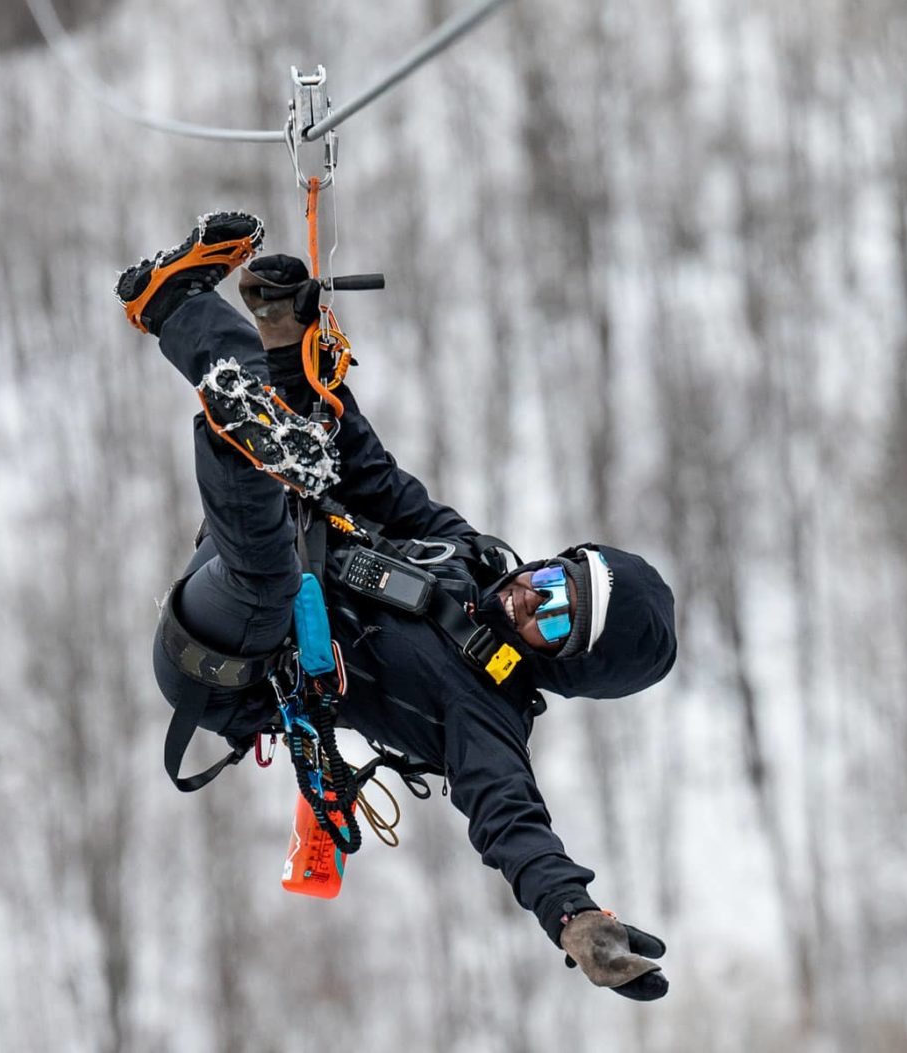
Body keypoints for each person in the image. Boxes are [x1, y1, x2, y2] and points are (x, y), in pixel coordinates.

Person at [116, 211, 679, 1000]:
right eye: (553, 579)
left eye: (553, 618)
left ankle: (237, 432)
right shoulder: (468, 555)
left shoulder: (485, 713)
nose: (528, 597)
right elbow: (374, 479)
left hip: (227, 659)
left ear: (563, 665)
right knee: (308, 440)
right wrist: (301, 346)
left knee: (270, 558)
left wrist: (573, 915)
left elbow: (512, 822)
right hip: (258, 543)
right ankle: (175, 305)